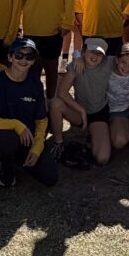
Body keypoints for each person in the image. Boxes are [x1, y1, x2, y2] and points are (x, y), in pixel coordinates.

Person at [0, 38, 58, 188]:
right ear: (10, 57)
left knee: (50, 178)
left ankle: (20, 157)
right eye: (19, 55)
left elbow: (41, 120)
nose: (23, 60)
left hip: (28, 136)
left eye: (29, 56)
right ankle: (6, 164)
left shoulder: (36, 84)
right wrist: (17, 125)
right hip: (5, 133)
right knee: (9, 139)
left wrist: (37, 148)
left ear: (33, 61)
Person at [50, 37, 118, 165]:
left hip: (98, 113)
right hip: (78, 112)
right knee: (55, 103)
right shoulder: (76, 65)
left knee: (102, 158)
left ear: (104, 57)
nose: (95, 56)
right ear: (84, 52)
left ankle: (94, 136)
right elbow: (62, 93)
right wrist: (81, 110)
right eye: (92, 51)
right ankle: (58, 143)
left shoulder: (109, 63)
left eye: (99, 54)